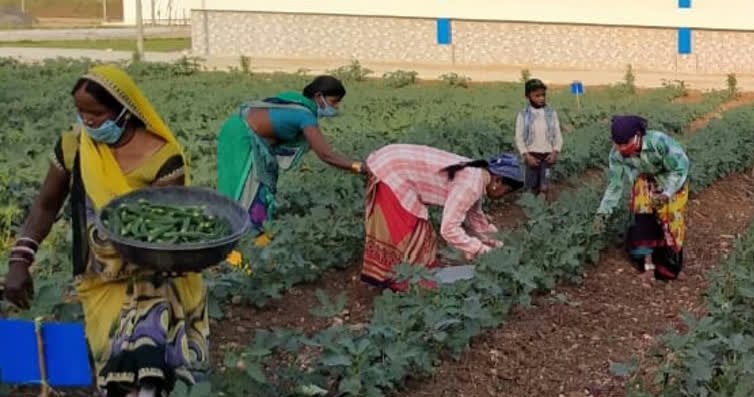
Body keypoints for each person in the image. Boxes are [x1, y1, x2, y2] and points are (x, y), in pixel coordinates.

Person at [3, 65, 209, 397]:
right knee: (114, 353)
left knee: (148, 345)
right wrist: (20, 260)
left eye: (95, 114)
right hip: (99, 276)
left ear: (124, 110)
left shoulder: (163, 155)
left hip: (154, 272)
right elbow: (45, 207)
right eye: (82, 113)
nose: (88, 122)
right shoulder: (74, 147)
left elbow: (168, 225)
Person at [217, 75, 368, 236]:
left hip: (234, 128)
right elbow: (325, 154)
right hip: (242, 137)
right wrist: (359, 166)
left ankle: (235, 230)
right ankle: (244, 236)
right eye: (334, 102)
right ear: (318, 97)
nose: (336, 107)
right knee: (247, 187)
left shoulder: (296, 101)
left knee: (241, 185)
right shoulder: (304, 115)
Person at [361, 144, 522, 290]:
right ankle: (401, 282)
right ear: (498, 181)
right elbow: (449, 229)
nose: (503, 197)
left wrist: (497, 242)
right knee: (405, 231)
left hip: (395, 160)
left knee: (421, 239)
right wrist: (479, 249)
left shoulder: (479, 175)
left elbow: (475, 217)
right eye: (506, 191)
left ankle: (411, 276)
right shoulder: (470, 186)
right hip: (393, 171)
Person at [594, 115, 689, 280]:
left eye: (626, 143)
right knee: (643, 218)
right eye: (618, 144)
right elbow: (615, 184)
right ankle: (648, 266)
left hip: (671, 181)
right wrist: (603, 212)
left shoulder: (658, 142)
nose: (622, 148)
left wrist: (666, 193)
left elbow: (680, 167)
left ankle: (670, 265)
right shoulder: (616, 155)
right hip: (643, 182)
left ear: (638, 135)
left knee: (670, 220)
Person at [515, 78, 563, 199]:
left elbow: (558, 134)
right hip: (532, 157)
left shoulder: (551, 113)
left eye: (543, 95)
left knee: (545, 185)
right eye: (537, 95)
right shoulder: (523, 115)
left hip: (547, 157)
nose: (541, 98)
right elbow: (519, 137)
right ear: (528, 96)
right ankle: (533, 211)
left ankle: (545, 210)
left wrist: (555, 152)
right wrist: (526, 155)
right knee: (532, 186)